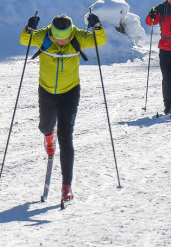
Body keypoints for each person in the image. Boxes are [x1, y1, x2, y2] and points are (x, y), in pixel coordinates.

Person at [20, 13, 106, 204]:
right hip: (47, 90)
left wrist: (97, 26)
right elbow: (24, 39)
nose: (60, 41)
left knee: (66, 137)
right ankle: (48, 136)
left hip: (70, 91)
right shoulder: (44, 35)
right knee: (44, 126)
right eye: (57, 38)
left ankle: (66, 188)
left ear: (70, 32)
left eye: (64, 38)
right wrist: (29, 27)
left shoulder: (79, 37)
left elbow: (100, 40)